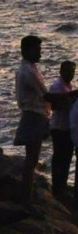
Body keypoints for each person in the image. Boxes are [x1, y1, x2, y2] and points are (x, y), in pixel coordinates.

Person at [14, 35, 74, 205]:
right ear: (26, 50)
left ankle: (27, 195)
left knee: (31, 158)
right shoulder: (29, 71)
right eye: (37, 50)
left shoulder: (28, 68)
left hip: (34, 115)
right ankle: (27, 198)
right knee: (32, 159)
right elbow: (47, 96)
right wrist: (71, 95)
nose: (40, 53)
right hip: (34, 116)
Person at [49, 60, 76, 200]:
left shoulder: (68, 86)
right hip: (59, 128)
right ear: (61, 71)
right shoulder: (57, 86)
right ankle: (57, 188)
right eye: (67, 71)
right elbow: (54, 106)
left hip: (67, 128)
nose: (70, 74)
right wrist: (71, 99)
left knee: (66, 159)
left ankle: (61, 187)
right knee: (60, 158)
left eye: (72, 71)